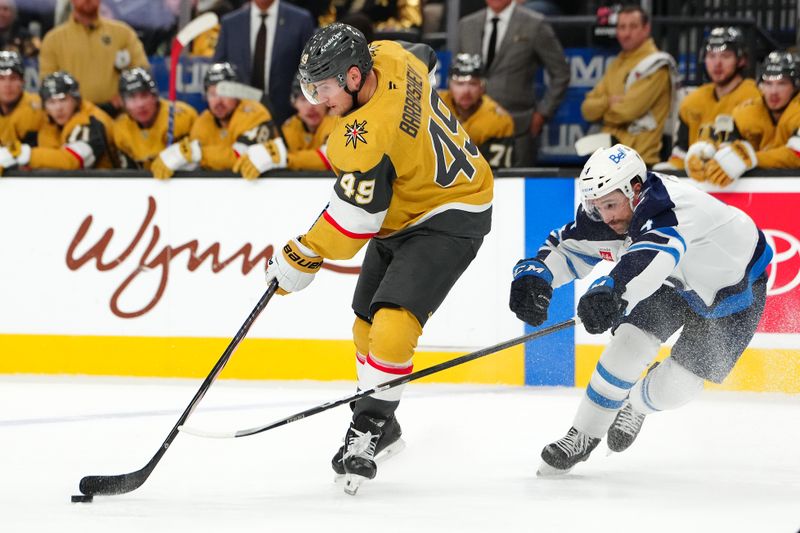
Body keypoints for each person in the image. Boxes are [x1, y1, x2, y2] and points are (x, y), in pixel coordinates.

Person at [266, 23, 493, 495]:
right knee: (364, 326)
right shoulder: (387, 53)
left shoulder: (363, 138)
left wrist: (302, 254)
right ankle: (384, 425)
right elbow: (426, 56)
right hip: (406, 207)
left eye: (323, 88)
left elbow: (353, 225)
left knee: (393, 326)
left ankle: (367, 427)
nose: (316, 101)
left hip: (453, 210)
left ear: (353, 77)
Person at [508, 144, 771, 475]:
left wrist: (613, 290)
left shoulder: (669, 209)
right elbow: (567, 246)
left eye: (610, 205)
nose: (606, 217)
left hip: (735, 291)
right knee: (628, 347)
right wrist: (536, 275)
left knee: (676, 389)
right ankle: (582, 435)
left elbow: (653, 255)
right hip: (671, 282)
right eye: (596, 207)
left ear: (635, 189)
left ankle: (636, 404)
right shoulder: (613, 212)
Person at [458, 0, 570, 165]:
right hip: (470, 130)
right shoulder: (466, 25)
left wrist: (542, 114)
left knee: (516, 187)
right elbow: (455, 72)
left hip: (518, 128)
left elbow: (561, 72)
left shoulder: (534, 24)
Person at [580, 5, 676, 165]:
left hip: (640, 164)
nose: (626, 33)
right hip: (609, 162)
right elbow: (586, 109)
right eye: (621, 27)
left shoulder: (656, 65)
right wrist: (608, 102)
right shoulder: (616, 63)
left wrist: (603, 111)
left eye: (633, 27)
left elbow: (627, 112)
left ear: (646, 29)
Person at [689, 50, 800, 187]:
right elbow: (725, 144)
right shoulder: (746, 111)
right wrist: (706, 151)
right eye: (768, 83)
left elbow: (796, 155)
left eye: (782, 83)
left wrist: (751, 157)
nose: (773, 92)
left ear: (795, 85)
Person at [151, 62, 280, 179]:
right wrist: (175, 157)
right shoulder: (203, 121)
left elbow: (241, 158)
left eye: (224, 93)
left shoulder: (254, 113)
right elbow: (192, 162)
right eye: (212, 94)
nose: (218, 101)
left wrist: (198, 153)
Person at [661, 27, 760, 173]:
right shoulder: (692, 100)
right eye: (711, 56)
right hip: (697, 182)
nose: (717, 63)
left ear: (741, 60)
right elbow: (680, 153)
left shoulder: (755, 96)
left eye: (725, 56)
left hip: (742, 180)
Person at [38, 0, 149, 117]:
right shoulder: (53, 40)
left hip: (118, 118)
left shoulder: (123, 33)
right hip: (72, 120)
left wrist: (124, 97)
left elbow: (142, 73)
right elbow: (48, 84)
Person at [213, 0, 315, 124]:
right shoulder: (230, 23)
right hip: (240, 118)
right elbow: (217, 70)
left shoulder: (300, 20)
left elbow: (310, 68)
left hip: (287, 119)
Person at [0, 70, 116, 172]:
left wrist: (25, 154)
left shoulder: (90, 121)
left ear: (76, 99)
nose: (58, 108)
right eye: (51, 102)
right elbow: (51, 160)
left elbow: (72, 161)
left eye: (63, 100)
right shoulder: (50, 122)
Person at [236, 75, 336, 177]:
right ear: (294, 103)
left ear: (326, 101)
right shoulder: (290, 126)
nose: (311, 106)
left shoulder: (336, 123)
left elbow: (330, 158)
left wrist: (285, 159)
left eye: (316, 97)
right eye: (303, 99)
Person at [438, 53, 514, 167]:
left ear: (482, 87)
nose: (466, 91)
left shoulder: (499, 120)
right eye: (460, 84)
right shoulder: (433, 104)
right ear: (450, 85)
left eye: (473, 84)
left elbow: (497, 174)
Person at [113, 68, 198, 171]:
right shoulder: (120, 129)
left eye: (144, 95)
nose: (140, 104)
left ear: (154, 96)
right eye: (132, 98)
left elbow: (199, 157)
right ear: (123, 103)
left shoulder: (183, 116)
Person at [0, 50, 44, 148]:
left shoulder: (40, 109)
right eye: (1, 78)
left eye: (13, 78)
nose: (7, 85)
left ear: (23, 81)